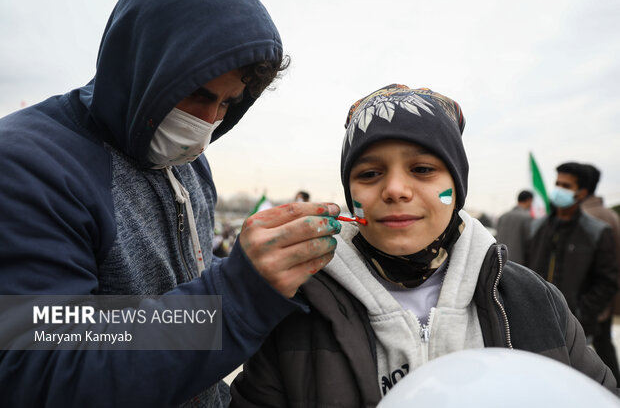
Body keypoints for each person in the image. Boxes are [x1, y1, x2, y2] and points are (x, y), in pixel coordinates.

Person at [0, 0, 341, 407]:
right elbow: (46, 371)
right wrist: (241, 294)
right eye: (197, 93)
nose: (208, 121)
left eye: (228, 103)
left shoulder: (187, 165)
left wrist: (282, 266)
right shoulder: (28, 165)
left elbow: (177, 285)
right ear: (138, 65)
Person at [229, 85, 619, 406]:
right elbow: (173, 338)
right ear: (350, 194)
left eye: (422, 169)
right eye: (369, 173)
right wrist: (239, 290)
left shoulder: (536, 300)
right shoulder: (296, 307)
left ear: (458, 185)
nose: (396, 189)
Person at [526, 163, 618, 345]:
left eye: (566, 186)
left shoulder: (596, 232)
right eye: (558, 184)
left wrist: (581, 313)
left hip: (575, 329)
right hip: (536, 322)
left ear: (582, 193)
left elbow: (609, 280)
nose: (559, 190)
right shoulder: (538, 227)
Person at [581, 163, 620, 382]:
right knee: (605, 348)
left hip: (588, 301)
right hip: (605, 298)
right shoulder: (610, 215)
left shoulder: (585, 219)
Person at [495, 190, 533, 264]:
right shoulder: (528, 218)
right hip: (518, 266)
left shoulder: (503, 216)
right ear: (529, 200)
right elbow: (529, 246)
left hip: (498, 262)